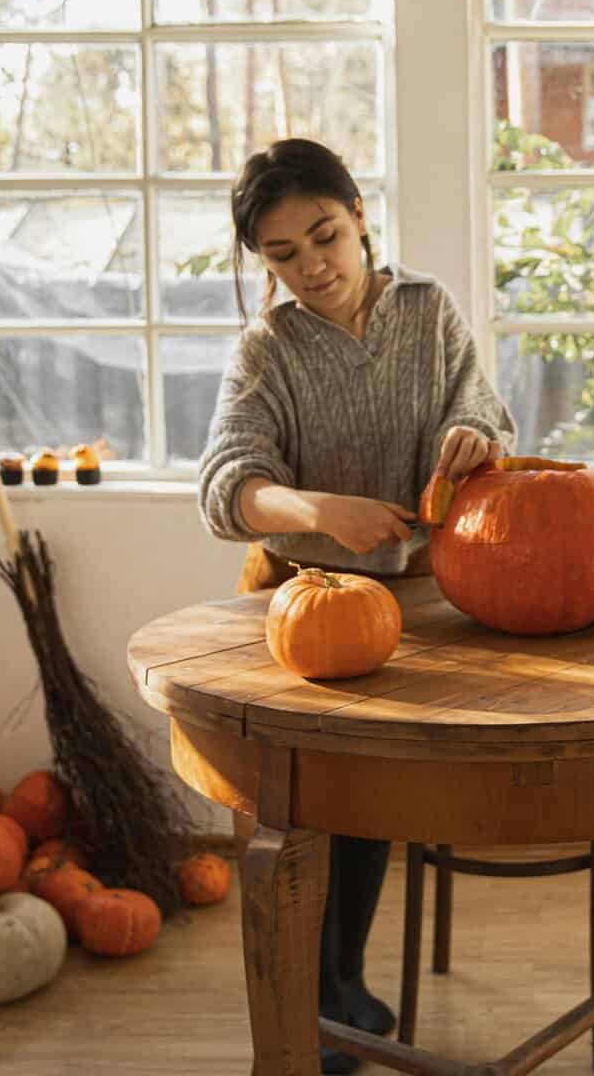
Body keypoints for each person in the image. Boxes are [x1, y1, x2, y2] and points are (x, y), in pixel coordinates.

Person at [197, 137, 517, 1072]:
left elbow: (489, 419)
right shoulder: (269, 347)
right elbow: (226, 487)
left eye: (324, 236)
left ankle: (337, 995)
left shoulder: (429, 310)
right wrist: (317, 513)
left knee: (372, 795)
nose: (311, 268)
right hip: (303, 600)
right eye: (282, 255)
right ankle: (323, 1003)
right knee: (309, 803)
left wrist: (470, 435)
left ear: (360, 214)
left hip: (426, 601)